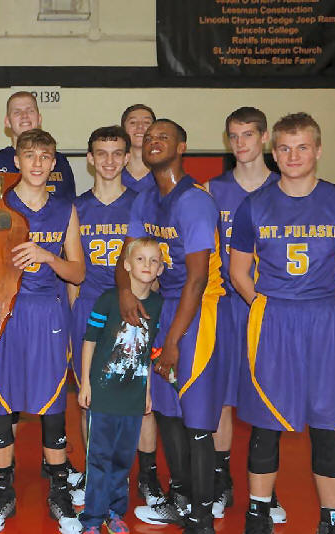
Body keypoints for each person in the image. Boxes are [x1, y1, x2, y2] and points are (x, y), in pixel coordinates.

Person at [230, 113, 335, 534]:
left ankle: (333, 518)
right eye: (285, 148)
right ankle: (258, 514)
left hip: (324, 319)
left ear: (318, 150)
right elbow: (238, 272)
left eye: (302, 147)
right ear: (274, 152)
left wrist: (319, 311)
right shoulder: (254, 205)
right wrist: (266, 309)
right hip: (274, 318)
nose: (293, 156)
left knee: (328, 424)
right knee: (265, 423)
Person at [119, 119, 225, 534]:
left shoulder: (194, 201)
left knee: (195, 419)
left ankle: (202, 516)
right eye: (148, 137)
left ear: (182, 146)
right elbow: (127, 256)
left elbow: (197, 279)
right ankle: (181, 497)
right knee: (167, 411)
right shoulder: (145, 198)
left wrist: (175, 341)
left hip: (199, 312)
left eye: (163, 137)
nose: (153, 141)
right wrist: (125, 293)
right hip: (166, 310)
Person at [0, 129, 85, 534]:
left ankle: (59, 492)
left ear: (53, 163)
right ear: (17, 161)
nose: (37, 163)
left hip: (48, 316)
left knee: (53, 406)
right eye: (30, 155)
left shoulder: (65, 209)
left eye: (45, 156)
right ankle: (2, 491)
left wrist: (47, 257)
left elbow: (78, 272)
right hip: (4, 316)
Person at [207, 107, 285, 522]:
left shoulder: (284, 187)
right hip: (224, 307)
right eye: (234, 135)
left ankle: (265, 490)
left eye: (248, 134)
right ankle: (221, 481)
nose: (240, 143)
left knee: (265, 398)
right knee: (221, 398)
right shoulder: (212, 190)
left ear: (265, 137)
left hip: (268, 308)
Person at [68, 125, 137, 503]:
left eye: (117, 153)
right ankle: (94, 473)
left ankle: (127, 476)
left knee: (131, 401)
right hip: (89, 310)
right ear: (90, 159)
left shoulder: (142, 204)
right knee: (89, 398)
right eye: (101, 153)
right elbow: (72, 273)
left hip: (131, 313)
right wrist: (73, 315)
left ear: (127, 158)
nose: (109, 160)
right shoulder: (76, 208)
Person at [78, 237, 164, 534]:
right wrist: (85, 383)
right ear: (126, 265)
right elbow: (89, 341)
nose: (147, 265)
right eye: (140, 259)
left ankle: (114, 512)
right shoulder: (108, 300)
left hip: (132, 398)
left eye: (153, 260)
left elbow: (149, 352)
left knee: (122, 459)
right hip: (103, 395)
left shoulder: (158, 305)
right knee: (99, 458)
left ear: (160, 269)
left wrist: (147, 391)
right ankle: (92, 518)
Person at [119, 104, 165, 506]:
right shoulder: (104, 183)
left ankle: (148, 476)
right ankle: (103, 471)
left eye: (146, 123)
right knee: (100, 397)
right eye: (132, 123)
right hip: (107, 302)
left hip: (151, 301)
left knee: (146, 393)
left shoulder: (163, 183)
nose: (140, 129)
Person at [0, 91, 76, 199]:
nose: (24, 116)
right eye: (17, 112)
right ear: (7, 122)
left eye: (30, 111)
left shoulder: (60, 161)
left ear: (39, 118)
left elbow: (69, 204)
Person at [120, 104, 156, 193]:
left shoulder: (165, 175)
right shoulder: (112, 173)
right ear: (123, 130)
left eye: (146, 122)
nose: (140, 126)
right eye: (133, 122)